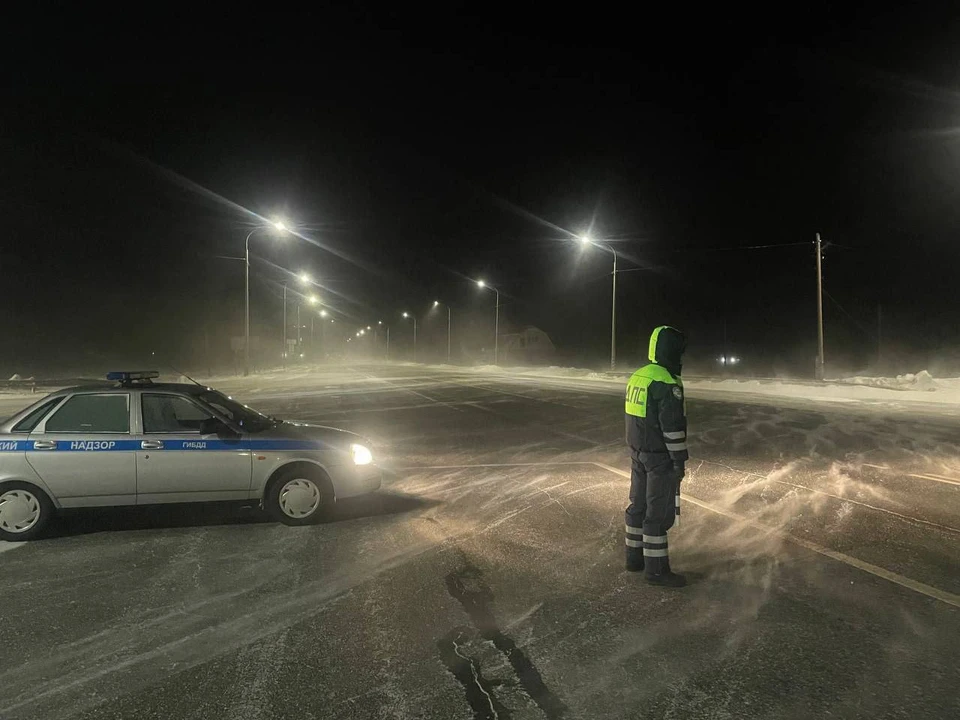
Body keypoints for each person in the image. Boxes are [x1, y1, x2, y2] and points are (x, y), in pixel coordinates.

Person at [623, 325, 689, 587]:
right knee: (658, 514)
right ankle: (657, 570)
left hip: (638, 453)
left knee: (637, 507)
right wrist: (679, 461)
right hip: (660, 457)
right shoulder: (666, 383)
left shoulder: (638, 376)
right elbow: (672, 428)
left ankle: (634, 558)